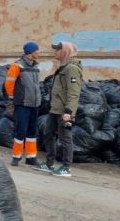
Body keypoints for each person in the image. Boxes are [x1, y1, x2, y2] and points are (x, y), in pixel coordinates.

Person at [32, 41, 82, 177]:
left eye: (57, 50)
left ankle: (66, 167)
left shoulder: (71, 69)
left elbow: (74, 92)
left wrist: (69, 112)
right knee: (48, 134)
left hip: (64, 111)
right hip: (55, 109)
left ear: (65, 51)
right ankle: (49, 164)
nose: (55, 53)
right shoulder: (63, 67)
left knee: (65, 138)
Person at [5, 42, 42, 166]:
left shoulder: (36, 66)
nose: (39, 52)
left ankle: (31, 157)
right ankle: (16, 156)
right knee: (20, 130)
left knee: (32, 131)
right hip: (22, 104)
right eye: (37, 50)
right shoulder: (17, 66)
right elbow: (9, 84)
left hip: (35, 104)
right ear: (30, 52)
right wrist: (12, 99)